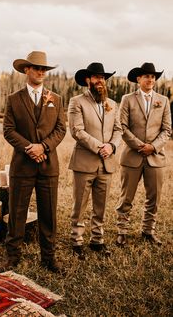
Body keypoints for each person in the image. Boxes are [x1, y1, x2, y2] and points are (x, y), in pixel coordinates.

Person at [0, 51, 66, 273]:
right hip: (22, 165)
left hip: (48, 165)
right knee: (17, 212)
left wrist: (43, 147)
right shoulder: (13, 99)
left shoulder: (56, 99)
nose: (40, 72)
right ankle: (12, 257)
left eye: (44, 69)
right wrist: (30, 148)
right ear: (26, 70)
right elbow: (8, 130)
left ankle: (49, 258)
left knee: (49, 214)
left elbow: (60, 129)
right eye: (36, 68)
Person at [68, 62, 122, 259]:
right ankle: (77, 241)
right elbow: (77, 131)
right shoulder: (77, 101)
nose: (101, 81)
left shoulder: (112, 104)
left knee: (101, 204)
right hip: (84, 162)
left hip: (107, 163)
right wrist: (100, 146)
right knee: (79, 204)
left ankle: (97, 241)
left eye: (103, 77)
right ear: (87, 80)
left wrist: (112, 146)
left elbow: (118, 130)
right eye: (97, 77)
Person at [116, 62, 172, 246]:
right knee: (126, 197)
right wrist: (140, 145)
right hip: (132, 156)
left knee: (153, 198)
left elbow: (167, 129)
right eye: (146, 76)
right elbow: (122, 127)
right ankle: (122, 231)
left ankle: (148, 231)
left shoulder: (163, 100)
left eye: (153, 76)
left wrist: (153, 147)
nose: (150, 79)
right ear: (138, 79)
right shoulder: (127, 99)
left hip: (155, 158)